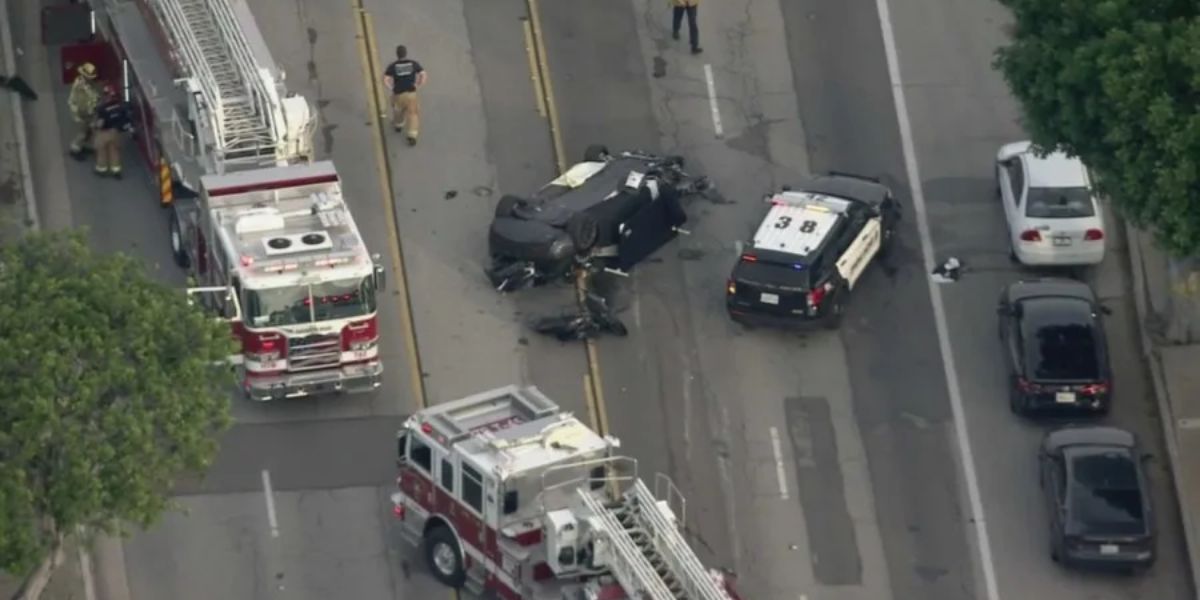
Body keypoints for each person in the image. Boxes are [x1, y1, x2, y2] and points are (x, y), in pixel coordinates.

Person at [382, 45, 427, 147]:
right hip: (411, 94)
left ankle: (398, 125)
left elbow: (385, 79)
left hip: (399, 94)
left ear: (397, 54)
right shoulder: (413, 64)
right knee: (413, 114)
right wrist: (418, 85)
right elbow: (423, 74)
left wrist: (391, 88)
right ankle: (412, 136)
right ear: (405, 53)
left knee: (398, 110)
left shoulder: (393, 66)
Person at [92, 85, 133, 178]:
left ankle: (101, 169)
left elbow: (100, 123)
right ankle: (116, 170)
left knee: (101, 151)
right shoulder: (120, 106)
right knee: (114, 151)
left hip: (104, 133)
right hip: (115, 132)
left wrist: (94, 126)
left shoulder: (102, 109)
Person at [67, 62, 101, 159]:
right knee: (82, 132)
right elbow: (88, 98)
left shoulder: (86, 83)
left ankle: (82, 146)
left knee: (87, 131)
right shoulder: (80, 85)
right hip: (81, 112)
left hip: (87, 112)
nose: (92, 79)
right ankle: (75, 149)